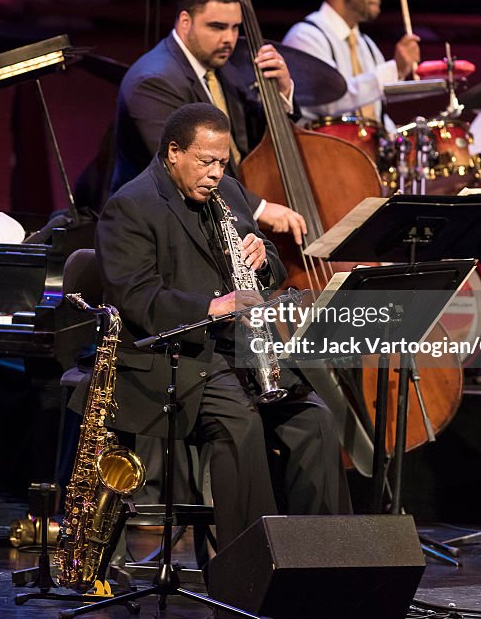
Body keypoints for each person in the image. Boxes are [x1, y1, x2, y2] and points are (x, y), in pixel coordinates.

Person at [77, 103, 350, 551]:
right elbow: (137, 300)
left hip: (236, 353)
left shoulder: (232, 195)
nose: (216, 173)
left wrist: (263, 264)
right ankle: (253, 567)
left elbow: (271, 272)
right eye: (206, 162)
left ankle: (323, 558)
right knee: (240, 424)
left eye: (223, 162)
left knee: (315, 421)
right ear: (173, 153)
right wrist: (210, 306)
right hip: (172, 359)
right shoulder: (131, 206)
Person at [111, 0, 306, 243]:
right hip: (163, 230)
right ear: (185, 22)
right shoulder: (153, 81)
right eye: (217, 27)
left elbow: (250, 137)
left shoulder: (222, 69)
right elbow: (187, 168)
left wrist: (282, 92)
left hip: (213, 216)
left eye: (235, 28)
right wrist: (260, 208)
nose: (229, 38)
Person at [282, 0, 420, 129]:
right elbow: (329, 101)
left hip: (364, 153)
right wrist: (394, 69)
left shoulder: (367, 45)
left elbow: (377, 116)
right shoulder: (306, 36)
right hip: (324, 152)